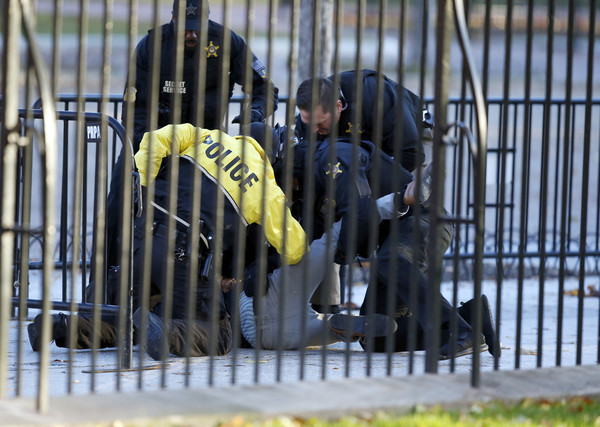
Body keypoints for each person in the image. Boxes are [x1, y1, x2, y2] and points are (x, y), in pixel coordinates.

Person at [27, 123, 306, 360]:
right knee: (218, 336)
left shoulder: (207, 136)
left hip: (141, 235)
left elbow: (153, 138)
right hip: (184, 256)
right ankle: (165, 332)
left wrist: (145, 192)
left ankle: (62, 325)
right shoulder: (264, 184)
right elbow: (295, 247)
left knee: (126, 314)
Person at [104, 0, 279, 274]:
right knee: (119, 201)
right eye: (186, 28)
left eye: (197, 29)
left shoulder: (228, 42)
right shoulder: (152, 46)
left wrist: (253, 114)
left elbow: (265, 88)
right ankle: (109, 280)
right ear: (173, 18)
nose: (192, 35)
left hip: (204, 149)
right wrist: (144, 148)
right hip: (152, 143)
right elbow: (133, 105)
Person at [292, 132, 493, 360]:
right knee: (374, 335)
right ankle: (469, 318)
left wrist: (343, 252)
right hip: (396, 242)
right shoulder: (309, 195)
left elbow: (361, 214)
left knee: (391, 260)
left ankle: (463, 332)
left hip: (426, 221)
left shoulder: (335, 163)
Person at [295, 69, 430, 173]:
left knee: (415, 198)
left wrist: (363, 181)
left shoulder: (374, 98)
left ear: (338, 106)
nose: (313, 130)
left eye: (320, 123)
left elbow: (412, 154)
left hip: (412, 141)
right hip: (367, 149)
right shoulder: (309, 117)